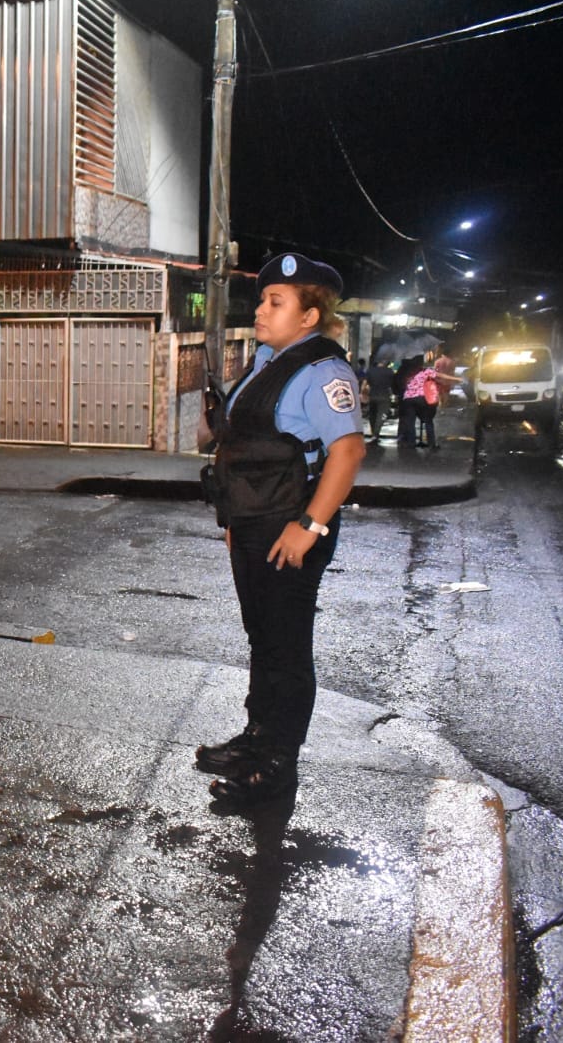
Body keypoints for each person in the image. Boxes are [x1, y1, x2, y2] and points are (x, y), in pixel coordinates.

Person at [195, 253, 365, 809]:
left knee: (286, 647)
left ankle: (277, 765)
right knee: (262, 638)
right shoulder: (267, 361)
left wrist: (310, 527)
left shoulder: (322, 371)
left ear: (309, 316)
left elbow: (347, 452)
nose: (261, 310)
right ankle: (256, 738)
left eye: (276, 302)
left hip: (291, 524)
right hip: (252, 522)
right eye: (263, 300)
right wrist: (233, 519)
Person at [394, 355, 424, 448]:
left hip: (404, 398)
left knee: (404, 419)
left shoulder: (401, 371)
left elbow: (395, 384)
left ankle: (402, 437)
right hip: (418, 398)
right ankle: (411, 439)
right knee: (412, 419)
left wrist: (397, 393)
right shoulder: (418, 370)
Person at [364, 359, 393, 443]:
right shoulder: (389, 371)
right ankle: (376, 434)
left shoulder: (371, 371)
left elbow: (365, 383)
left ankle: (373, 433)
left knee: (372, 415)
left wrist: (363, 394)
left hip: (372, 395)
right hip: (385, 396)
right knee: (381, 416)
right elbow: (393, 384)